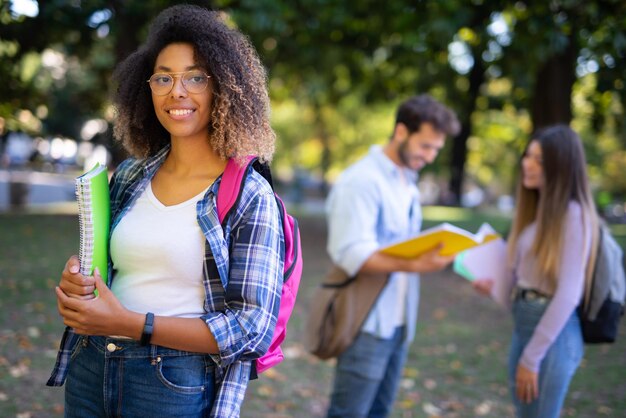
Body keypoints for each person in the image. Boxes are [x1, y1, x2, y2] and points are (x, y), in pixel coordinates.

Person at [46, 5, 284, 417]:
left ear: (224, 86)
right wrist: (79, 284)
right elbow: (113, 269)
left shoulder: (250, 195)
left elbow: (251, 329)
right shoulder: (129, 177)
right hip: (91, 364)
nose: (177, 91)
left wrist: (132, 324)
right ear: (147, 88)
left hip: (170, 382)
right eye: (163, 77)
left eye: (195, 76)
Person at [325, 94, 461, 417]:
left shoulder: (407, 180)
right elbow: (351, 254)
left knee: (380, 411)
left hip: (399, 322)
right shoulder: (361, 181)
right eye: (425, 146)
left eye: (435, 150)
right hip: (367, 322)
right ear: (401, 132)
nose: (429, 156)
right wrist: (416, 263)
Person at [472, 125, 598, 418]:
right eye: (528, 156)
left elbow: (568, 294)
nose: (527, 164)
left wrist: (532, 358)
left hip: (552, 334)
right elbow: (522, 282)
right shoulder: (534, 211)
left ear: (561, 167)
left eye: (539, 160)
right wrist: (490, 286)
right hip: (524, 324)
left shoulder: (574, 215)